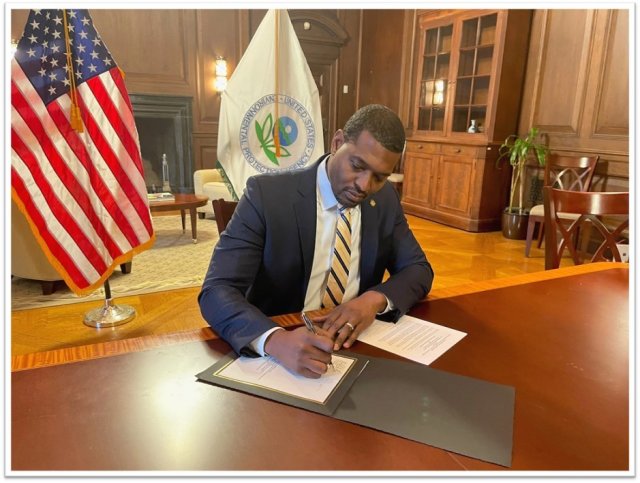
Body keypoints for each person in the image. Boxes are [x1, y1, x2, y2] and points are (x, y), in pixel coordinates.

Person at [199, 104, 434, 378]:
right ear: (337, 143)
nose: (364, 186)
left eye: (380, 177)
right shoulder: (266, 195)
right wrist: (275, 340)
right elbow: (217, 290)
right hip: (280, 349)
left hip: (356, 347)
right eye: (357, 166)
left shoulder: (384, 200)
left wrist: (372, 301)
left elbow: (418, 269)